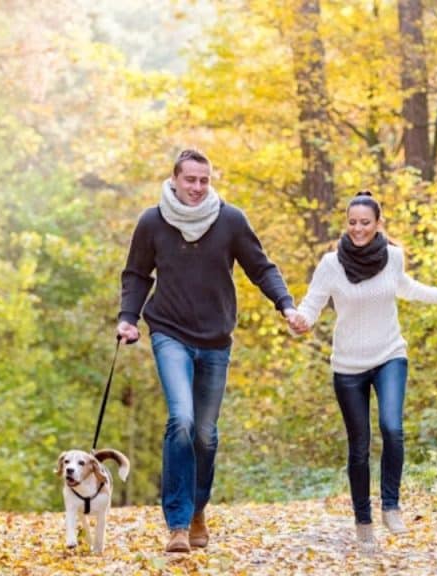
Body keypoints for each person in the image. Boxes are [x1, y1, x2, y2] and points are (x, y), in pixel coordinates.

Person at [117, 149, 301, 553]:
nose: (198, 188)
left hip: (216, 338)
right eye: (190, 180)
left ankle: (198, 509)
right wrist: (128, 317)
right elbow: (136, 273)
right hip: (169, 332)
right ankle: (178, 524)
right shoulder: (153, 222)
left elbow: (261, 267)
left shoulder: (230, 220)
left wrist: (285, 303)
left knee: (205, 435)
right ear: (175, 180)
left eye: (204, 180)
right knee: (180, 419)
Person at [290, 190, 437, 551]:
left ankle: (391, 505)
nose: (357, 229)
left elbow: (407, 288)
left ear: (378, 224)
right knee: (359, 446)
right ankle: (363, 520)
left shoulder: (393, 258)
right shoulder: (331, 264)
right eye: (352, 223)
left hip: (389, 355)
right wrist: (300, 320)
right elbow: (313, 303)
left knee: (392, 427)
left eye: (365, 222)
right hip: (348, 366)